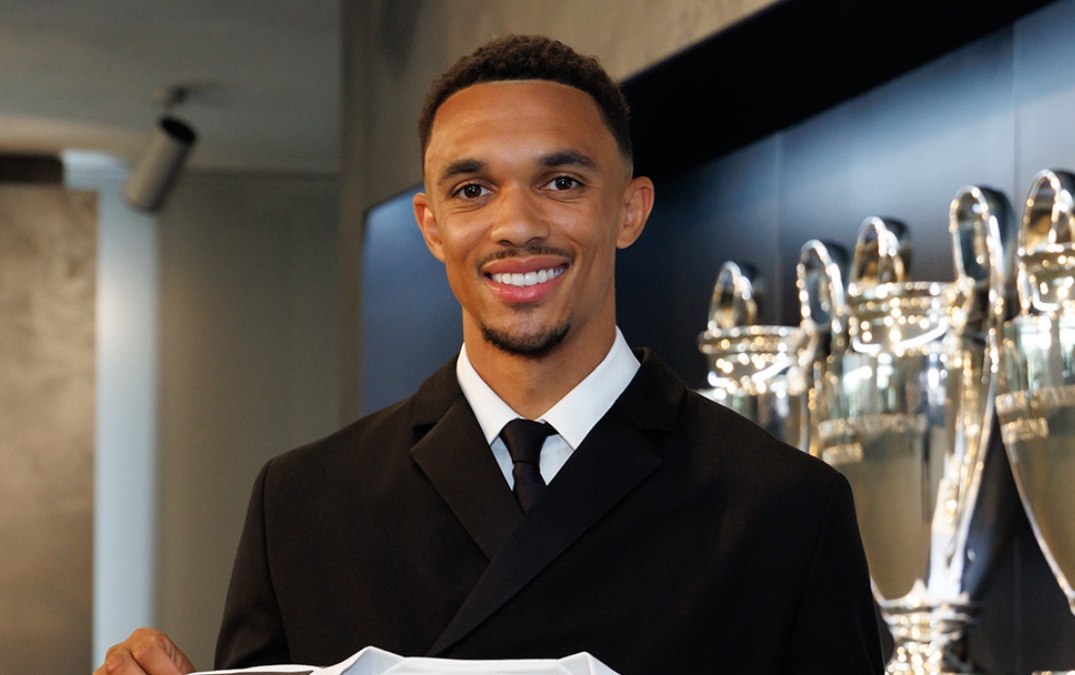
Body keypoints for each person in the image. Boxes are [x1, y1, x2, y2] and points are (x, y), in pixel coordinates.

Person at [96, 34, 883, 675]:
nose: (516, 225)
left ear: (629, 210)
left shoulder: (786, 507)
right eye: (472, 190)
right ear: (431, 225)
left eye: (562, 181)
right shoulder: (302, 503)